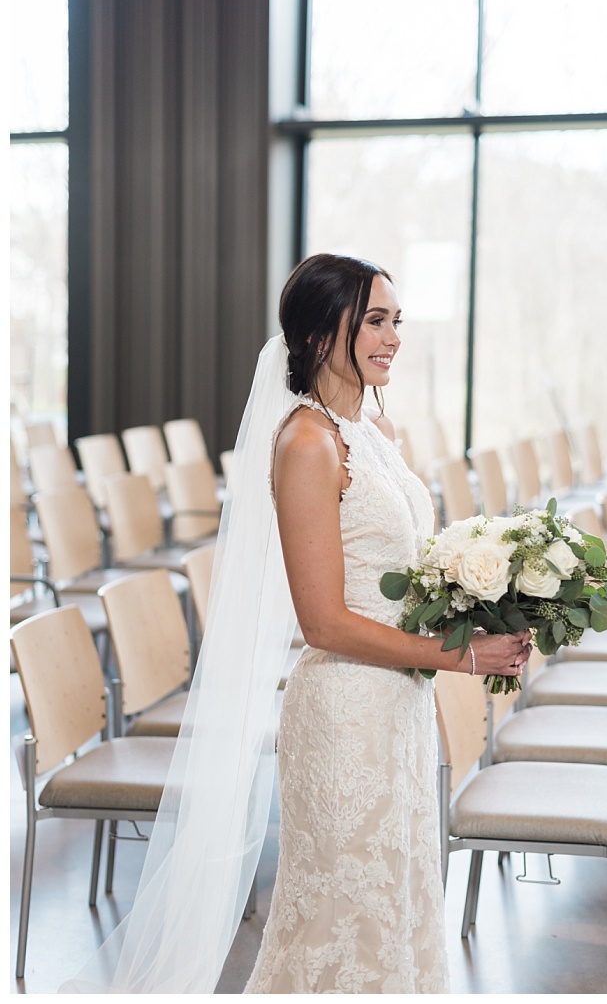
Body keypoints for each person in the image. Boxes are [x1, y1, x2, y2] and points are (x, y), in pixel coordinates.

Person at [65, 254, 529, 993]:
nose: (393, 337)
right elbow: (322, 623)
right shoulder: (307, 443)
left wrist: (489, 592)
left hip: (399, 705)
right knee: (342, 915)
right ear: (318, 336)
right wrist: (460, 656)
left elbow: (404, 566)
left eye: (395, 321)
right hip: (345, 712)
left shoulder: (376, 431)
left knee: (398, 900)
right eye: (374, 321)